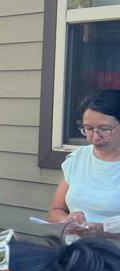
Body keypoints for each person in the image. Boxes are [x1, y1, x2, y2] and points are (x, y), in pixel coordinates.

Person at [45, 88, 120, 239]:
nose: (95, 137)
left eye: (104, 129)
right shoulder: (78, 158)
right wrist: (66, 220)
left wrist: (104, 231)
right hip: (77, 250)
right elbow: (55, 212)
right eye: (88, 129)